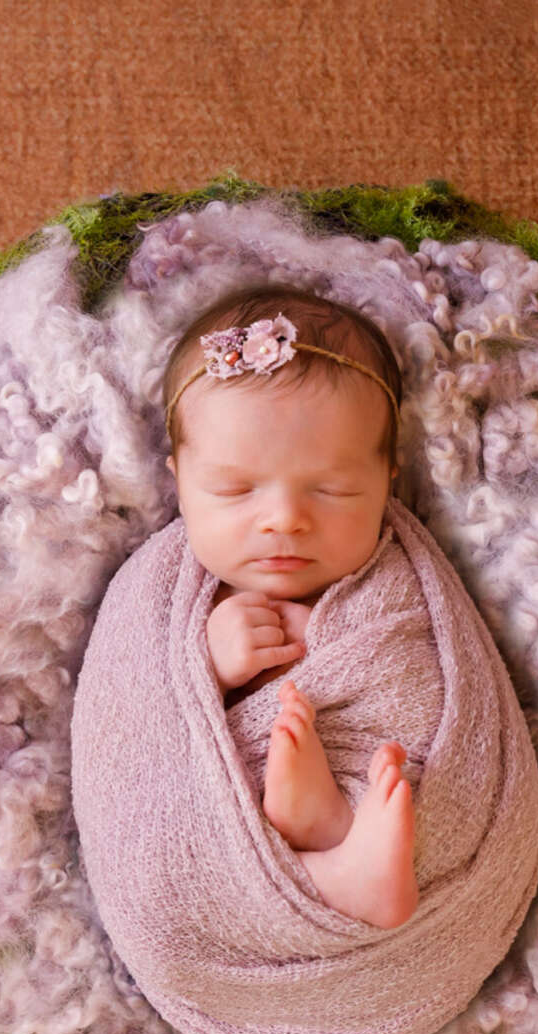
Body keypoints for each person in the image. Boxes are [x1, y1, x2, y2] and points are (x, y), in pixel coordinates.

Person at [160, 285, 419, 929]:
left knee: (406, 784)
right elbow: (135, 716)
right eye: (234, 489)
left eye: (331, 489)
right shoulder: (165, 597)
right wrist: (207, 665)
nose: (283, 519)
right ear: (180, 484)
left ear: (390, 478)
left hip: (376, 803)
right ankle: (328, 859)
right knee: (176, 849)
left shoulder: (396, 583)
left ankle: (335, 825)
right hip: (221, 832)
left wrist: (343, 641)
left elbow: (425, 684)